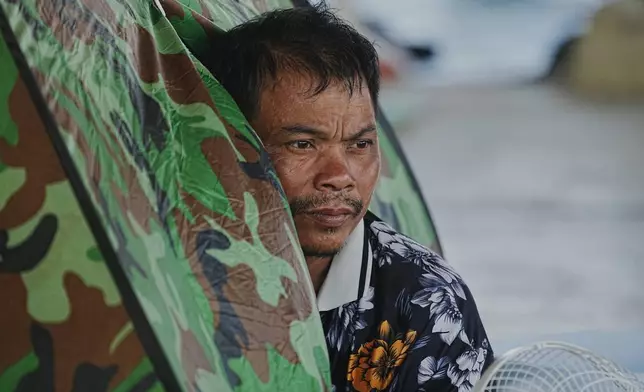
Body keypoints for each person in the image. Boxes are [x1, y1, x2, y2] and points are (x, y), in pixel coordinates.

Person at [203, 5, 494, 391]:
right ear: (229, 143)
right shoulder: (170, 267)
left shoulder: (425, 304)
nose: (339, 178)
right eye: (303, 144)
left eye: (360, 145)